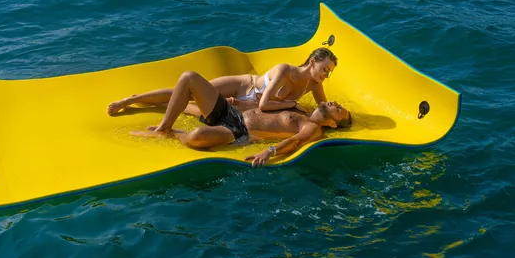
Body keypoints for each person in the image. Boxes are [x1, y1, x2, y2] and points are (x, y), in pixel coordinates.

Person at [130, 70, 352, 167]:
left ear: (332, 123)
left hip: (238, 132)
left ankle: (173, 133)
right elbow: (262, 107)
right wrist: (240, 103)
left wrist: (269, 151)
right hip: (233, 113)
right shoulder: (299, 107)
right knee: (190, 78)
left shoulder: (312, 128)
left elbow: (296, 142)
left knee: (197, 136)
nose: (334, 103)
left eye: (338, 109)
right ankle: (161, 125)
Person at [108, 48, 338, 115]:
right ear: (311, 62)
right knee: (188, 91)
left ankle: (156, 106)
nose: (326, 75)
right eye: (324, 69)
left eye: (329, 72)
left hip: (244, 106)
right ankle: (132, 99)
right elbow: (264, 105)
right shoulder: (285, 70)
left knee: (198, 107)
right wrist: (293, 105)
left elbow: (321, 110)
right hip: (243, 85)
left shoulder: (315, 85)